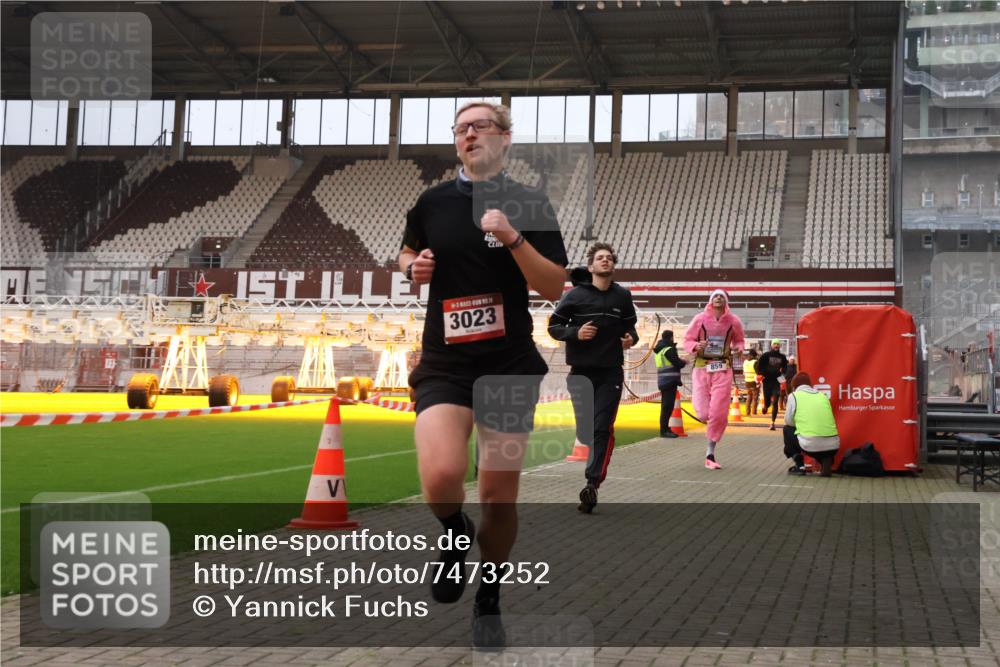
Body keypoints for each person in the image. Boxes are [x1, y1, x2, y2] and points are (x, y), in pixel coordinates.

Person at [399, 101, 568, 649]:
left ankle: (489, 597)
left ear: (504, 138)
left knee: (498, 497)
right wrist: (411, 268)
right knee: (442, 476)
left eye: (480, 126)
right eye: (461, 129)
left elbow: (552, 287)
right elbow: (405, 252)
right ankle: (454, 531)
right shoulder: (432, 202)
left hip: (507, 366)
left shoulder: (530, 202)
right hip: (444, 362)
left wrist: (515, 237)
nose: (469, 134)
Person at [547, 242, 638, 513]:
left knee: (601, 428)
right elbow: (553, 327)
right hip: (580, 373)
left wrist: (630, 339)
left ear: (613, 265)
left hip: (610, 371)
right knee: (587, 432)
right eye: (600, 258)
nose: (605, 261)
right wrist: (575, 333)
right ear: (591, 266)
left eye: (609, 258)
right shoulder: (574, 296)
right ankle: (593, 474)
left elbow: (631, 329)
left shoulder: (623, 296)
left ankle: (592, 484)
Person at [682, 289, 746, 469]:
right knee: (702, 414)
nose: (718, 298)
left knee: (718, 413)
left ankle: (710, 452)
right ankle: (707, 427)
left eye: (722, 296)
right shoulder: (699, 319)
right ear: (710, 301)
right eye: (715, 296)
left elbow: (740, 341)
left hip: (723, 368)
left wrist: (739, 348)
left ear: (726, 302)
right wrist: (696, 345)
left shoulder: (734, 321)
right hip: (702, 366)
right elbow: (687, 340)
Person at [783, 372, 841, 476]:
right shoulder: (822, 396)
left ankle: (800, 466)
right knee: (818, 440)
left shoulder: (794, 396)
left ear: (794, 386)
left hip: (810, 445)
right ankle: (825, 460)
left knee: (787, 429)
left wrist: (800, 424)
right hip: (834, 445)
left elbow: (788, 421)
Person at [653, 330, 686, 438]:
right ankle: (664, 431)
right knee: (667, 407)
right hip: (670, 381)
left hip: (663, 381)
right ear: (671, 337)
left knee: (665, 407)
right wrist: (685, 361)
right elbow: (678, 363)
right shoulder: (668, 349)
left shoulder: (660, 350)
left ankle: (665, 429)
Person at [755, 338, 788, 431]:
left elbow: (785, 367)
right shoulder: (766, 355)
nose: (776, 346)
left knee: (776, 401)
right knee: (767, 402)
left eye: (778, 344)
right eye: (775, 344)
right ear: (771, 345)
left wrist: (783, 375)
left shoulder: (782, 357)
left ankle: (772, 422)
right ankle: (765, 406)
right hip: (767, 381)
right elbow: (758, 365)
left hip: (776, 381)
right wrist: (760, 374)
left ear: (780, 346)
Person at [742, 349, 759, 416]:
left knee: (749, 396)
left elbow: (743, 371)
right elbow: (758, 372)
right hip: (754, 382)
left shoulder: (745, 362)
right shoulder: (755, 362)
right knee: (755, 397)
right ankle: (754, 412)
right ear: (753, 355)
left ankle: (747, 412)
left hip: (747, 381)